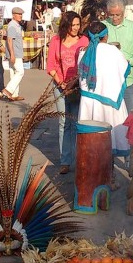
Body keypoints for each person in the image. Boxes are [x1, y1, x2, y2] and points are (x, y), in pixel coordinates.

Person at [77, 20, 131, 180]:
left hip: (90, 104)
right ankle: (110, 176)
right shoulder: (113, 51)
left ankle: (95, 177)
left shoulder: (83, 52)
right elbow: (125, 69)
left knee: (93, 141)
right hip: (110, 103)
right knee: (110, 139)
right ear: (105, 35)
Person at [47, 11, 87, 174]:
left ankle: (79, 158)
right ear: (66, 25)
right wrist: (61, 82)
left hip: (77, 86)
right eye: (73, 25)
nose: (76, 28)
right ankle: (65, 160)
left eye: (78, 25)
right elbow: (51, 65)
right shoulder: (56, 41)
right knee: (64, 122)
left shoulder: (84, 41)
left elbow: (86, 64)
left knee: (76, 122)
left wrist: (74, 82)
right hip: (60, 86)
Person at [104, 0, 133, 108]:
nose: (114, 18)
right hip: (109, 80)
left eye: (118, 15)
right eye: (111, 15)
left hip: (128, 79)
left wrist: (129, 61)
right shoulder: (103, 26)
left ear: (123, 12)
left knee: (131, 113)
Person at [3, 7, 26, 101]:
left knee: (13, 72)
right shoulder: (12, 25)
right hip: (15, 53)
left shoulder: (16, 25)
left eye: (21, 14)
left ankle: (14, 94)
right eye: (18, 14)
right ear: (13, 15)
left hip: (15, 52)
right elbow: (9, 40)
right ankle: (8, 90)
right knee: (20, 72)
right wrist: (12, 54)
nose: (20, 16)